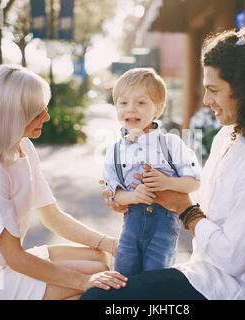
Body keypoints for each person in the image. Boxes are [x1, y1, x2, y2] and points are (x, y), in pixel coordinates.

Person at [82, 23, 245, 300]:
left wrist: (185, 208)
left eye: (214, 90)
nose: (206, 100)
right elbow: (200, 200)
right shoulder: (228, 137)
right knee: (100, 287)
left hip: (231, 291)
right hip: (202, 275)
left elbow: (232, 259)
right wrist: (134, 197)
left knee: (98, 300)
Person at [0, 64, 127, 300]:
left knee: (100, 258)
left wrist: (109, 243)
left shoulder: (22, 146)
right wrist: (83, 282)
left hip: (6, 264)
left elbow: (52, 216)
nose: (47, 117)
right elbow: (15, 257)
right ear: (12, 116)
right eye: (38, 112)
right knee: (95, 283)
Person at [103, 68, 201, 276]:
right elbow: (113, 191)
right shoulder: (115, 150)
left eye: (141, 102)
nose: (131, 109)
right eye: (123, 103)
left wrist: (168, 182)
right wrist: (133, 196)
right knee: (124, 277)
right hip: (131, 228)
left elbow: (194, 181)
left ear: (157, 109)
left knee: (154, 281)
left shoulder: (171, 143)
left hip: (163, 228)